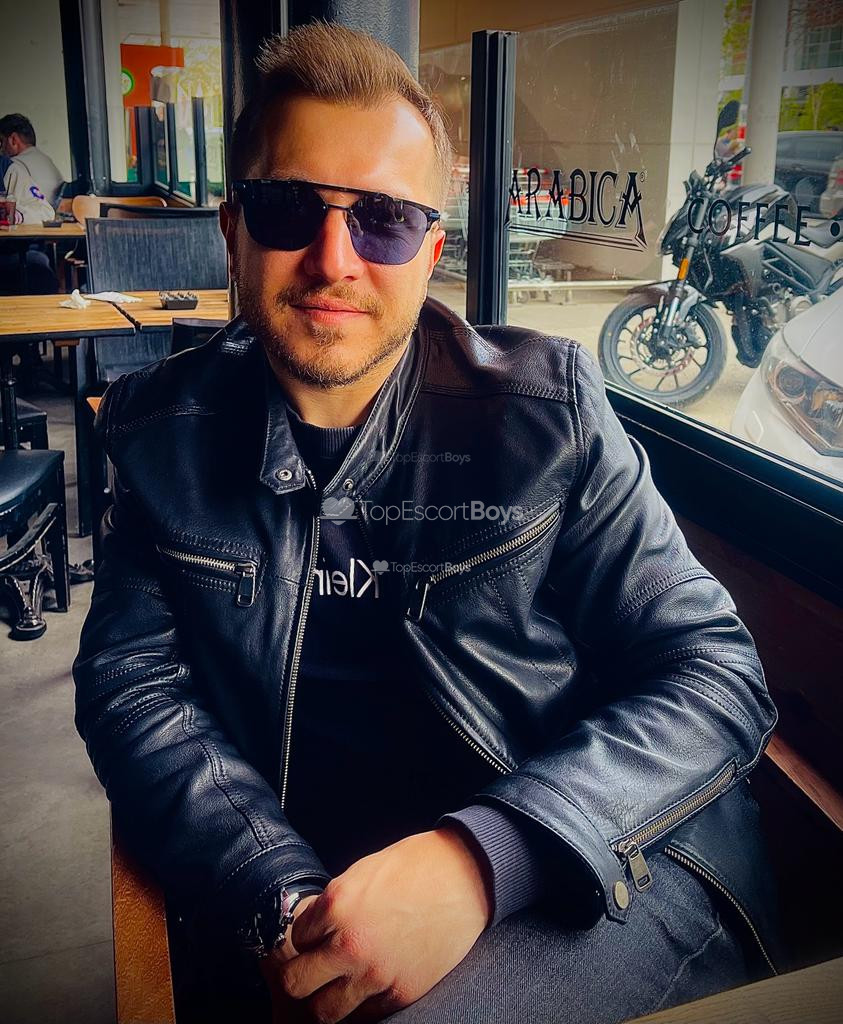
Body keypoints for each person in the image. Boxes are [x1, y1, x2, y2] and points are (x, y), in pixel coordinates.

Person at [73, 21, 782, 1024]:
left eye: (384, 220)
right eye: (287, 209)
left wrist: (480, 859)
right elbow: (131, 689)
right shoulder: (158, 432)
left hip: (592, 864)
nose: (333, 259)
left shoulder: (547, 411)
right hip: (315, 880)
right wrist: (277, 892)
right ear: (232, 230)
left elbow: (713, 670)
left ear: (432, 251)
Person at [0, 153, 58, 294]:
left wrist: (19, 214)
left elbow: (46, 212)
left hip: (7, 254)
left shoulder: (9, 169)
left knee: (38, 269)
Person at [0, 113, 65, 209]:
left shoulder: (12, 166)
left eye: (1, 142)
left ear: (13, 140)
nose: (1, 150)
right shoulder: (47, 161)